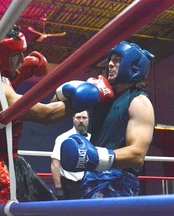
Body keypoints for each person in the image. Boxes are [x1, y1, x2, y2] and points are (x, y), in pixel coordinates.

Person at [0, 23, 105, 205]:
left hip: (10, 161)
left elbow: (6, 92)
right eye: (16, 55)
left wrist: (20, 74)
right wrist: (93, 93)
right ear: (1, 57)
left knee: (46, 206)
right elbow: (46, 115)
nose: (22, 60)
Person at [60, 41, 155, 198]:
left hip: (119, 180)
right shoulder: (101, 97)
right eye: (110, 60)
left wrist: (96, 157)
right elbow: (51, 111)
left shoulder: (138, 101)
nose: (110, 64)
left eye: (117, 60)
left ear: (133, 66)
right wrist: (65, 91)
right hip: (91, 177)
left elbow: (138, 155)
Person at [51, 110, 90, 200]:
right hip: (68, 185)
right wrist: (58, 188)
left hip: (88, 184)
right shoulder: (63, 138)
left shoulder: (92, 138)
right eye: (78, 117)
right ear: (73, 119)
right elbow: (55, 163)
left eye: (84, 118)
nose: (81, 120)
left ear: (88, 120)